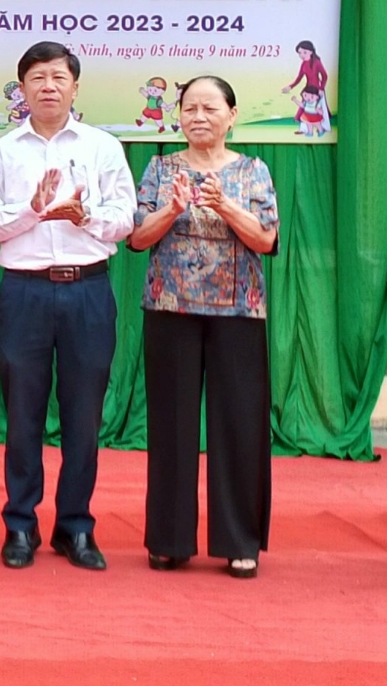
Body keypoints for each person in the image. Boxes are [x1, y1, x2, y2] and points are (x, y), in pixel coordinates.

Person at [0, 42, 137, 571]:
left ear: (75, 86)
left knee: (83, 416)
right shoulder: (3, 152)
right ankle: (20, 525)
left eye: (58, 77)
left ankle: (76, 527)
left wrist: (83, 216)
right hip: (24, 293)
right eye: (38, 77)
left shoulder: (103, 147)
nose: (48, 86)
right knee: (22, 415)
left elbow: (125, 219)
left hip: (88, 291)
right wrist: (32, 210)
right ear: (22, 88)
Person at [127, 76, 279, 579]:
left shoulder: (253, 171)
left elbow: (265, 240)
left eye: (209, 108)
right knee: (172, 425)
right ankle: (169, 540)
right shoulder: (160, 169)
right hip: (170, 309)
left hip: (238, 313)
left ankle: (239, 542)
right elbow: (137, 238)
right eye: (189, 108)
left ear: (231, 116)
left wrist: (225, 205)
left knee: (239, 425)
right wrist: (172, 209)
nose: (198, 117)